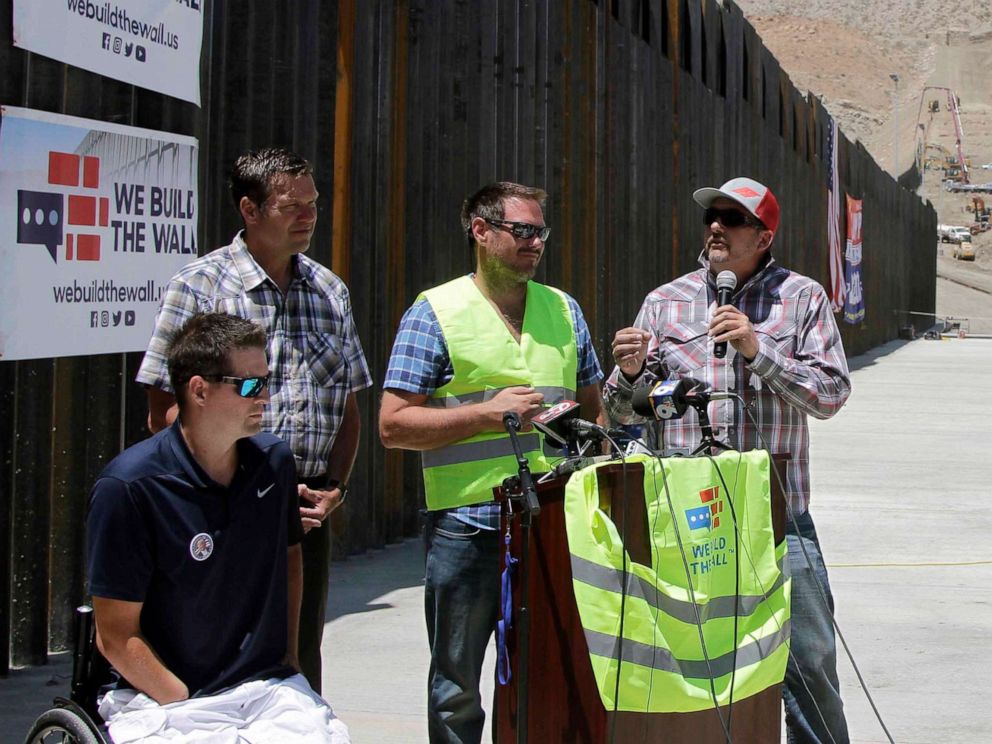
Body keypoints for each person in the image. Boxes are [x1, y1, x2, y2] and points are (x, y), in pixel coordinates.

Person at [604, 177, 852, 744]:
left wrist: (756, 350)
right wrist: (631, 374)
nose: (716, 226)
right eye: (711, 216)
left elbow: (831, 395)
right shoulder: (664, 301)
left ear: (764, 235)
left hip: (777, 520)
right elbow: (621, 416)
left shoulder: (803, 298)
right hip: (688, 523)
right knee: (690, 670)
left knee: (809, 663)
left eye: (733, 219)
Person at [136, 147, 372, 693]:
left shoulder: (330, 291)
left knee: (294, 659)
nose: (308, 217)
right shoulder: (198, 287)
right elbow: (161, 411)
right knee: (215, 655)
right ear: (249, 208)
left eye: (313, 205)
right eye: (292, 207)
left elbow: (349, 407)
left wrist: (334, 486)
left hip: (305, 509)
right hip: (219, 506)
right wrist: (239, 487)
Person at [379, 182, 604, 742]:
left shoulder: (564, 310)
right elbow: (392, 424)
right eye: (521, 231)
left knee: (552, 673)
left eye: (540, 232)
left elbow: (594, 414)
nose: (535, 243)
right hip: (467, 525)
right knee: (456, 687)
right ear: (480, 232)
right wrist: (486, 415)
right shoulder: (435, 312)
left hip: (554, 523)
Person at [87, 313, 349, 742]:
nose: (264, 397)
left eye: (267, 381)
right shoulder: (128, 488)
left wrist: (289, 656)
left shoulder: (274, 462)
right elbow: (114, 635)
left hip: (265, 690)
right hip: (167, 699)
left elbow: (290, 556)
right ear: (199, 390)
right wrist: (179, 696)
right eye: (249, 385)